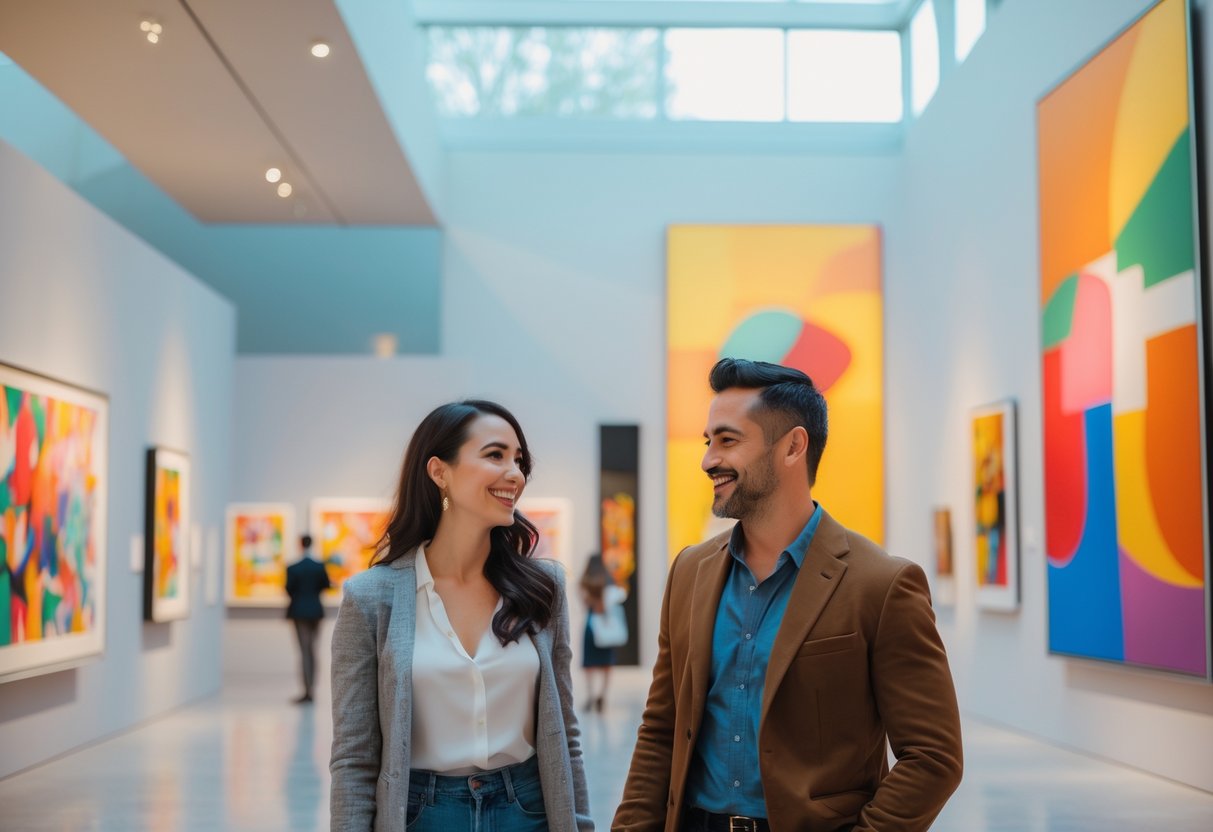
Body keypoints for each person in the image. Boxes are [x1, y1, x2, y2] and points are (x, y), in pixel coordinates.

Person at [613, 358, 962, 832]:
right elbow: (660, 731)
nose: (708, 459)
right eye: (707, 441)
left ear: (793, 446)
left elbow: (933, 756)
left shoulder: (881, 584)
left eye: (728, 440)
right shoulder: (689, 572)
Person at [330, 400, 592, 832]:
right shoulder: (371, 598)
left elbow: (565, 734)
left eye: (519, 460)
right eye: (495, 455)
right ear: (439, 472)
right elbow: (354, 758)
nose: (516, 474)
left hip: (528, 810)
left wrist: (580, 824)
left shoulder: (543, 589)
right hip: (422, 815)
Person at [285, 532, 331, 704]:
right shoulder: (319, 566)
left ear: (300, 544)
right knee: (312, 649)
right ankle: (312, 688)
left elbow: (289, 589)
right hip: (315, 611)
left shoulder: (293, 567)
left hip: (299, 611)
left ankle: (308, 690)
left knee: (304, 651)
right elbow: (326, 585)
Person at [579, 554, 628, 713]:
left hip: (591, 624)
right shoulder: (608, 580)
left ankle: (590, 695)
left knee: (589, 663)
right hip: (605, 624)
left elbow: (584, 602)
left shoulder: (585, 582)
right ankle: (602, 695)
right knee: (606, 662)